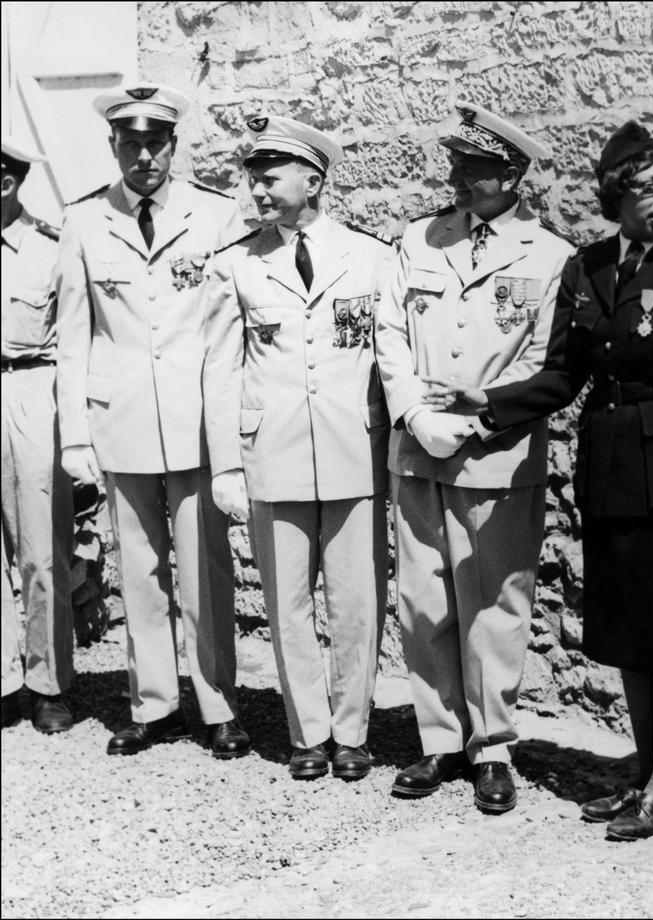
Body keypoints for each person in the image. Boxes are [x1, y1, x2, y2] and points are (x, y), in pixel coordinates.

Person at [430, 122, 653, 839]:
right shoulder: (590, 268)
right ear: (615, 197)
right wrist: (489, 402)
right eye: (648, 188)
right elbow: (566, 375)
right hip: (610, 473)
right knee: (629, 631)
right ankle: (643, 772)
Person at [375, 102, 574, 813]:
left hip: (496, 454)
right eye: (456, 163)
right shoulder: (419, 239)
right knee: (423, 601)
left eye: (474, 167)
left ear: (511, 176)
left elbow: (544, 360)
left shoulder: (549, 256)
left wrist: (473, 420)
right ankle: (439, 738)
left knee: (494, 603)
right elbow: (389, 333)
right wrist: (416, 415)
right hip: (418, 450)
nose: (456, 177)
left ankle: (492, 747)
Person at [54, 82, 250, 759]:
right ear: (113, 145)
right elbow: (73, 336)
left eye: (156, 143)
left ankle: (219, 705)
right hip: (122, 418)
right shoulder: (85, 220)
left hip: (197, 419)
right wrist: (75, 433)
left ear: (174, 145)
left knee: (206, 571)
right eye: (131, 143)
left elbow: (230, 329)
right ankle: (154, 704)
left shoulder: (216, 214)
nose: (144, 157)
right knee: (138, 569)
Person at [201, 116, 394, 781]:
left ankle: (353, 731)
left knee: (356, 601)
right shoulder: (236, 264)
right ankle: (307, 732)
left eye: (270, 177)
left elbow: (389, 358)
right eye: (251, 179)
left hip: (353, 452)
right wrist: (227, 464)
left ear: (313, 180)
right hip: (273, 454)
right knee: (286, 602)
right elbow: (220, 369)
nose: (256, 190)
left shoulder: (371, 257)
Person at [1, 136, 74, 733]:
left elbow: (76, 340)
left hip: (31, 389)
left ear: (6, 183)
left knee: (41, 549)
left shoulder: (50, 248)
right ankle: (2, 681)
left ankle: (47, 682)